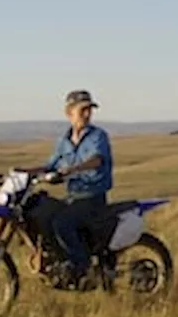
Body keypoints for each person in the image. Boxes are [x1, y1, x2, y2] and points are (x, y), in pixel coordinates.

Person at [17, 90, 115, 286]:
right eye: (83, 110)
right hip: (73, 196)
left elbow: (96, 160)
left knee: (63, 223)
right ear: (69, 113)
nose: (87, 114)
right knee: (45, 216)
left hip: (92, 197)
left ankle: (81, 266)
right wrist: (24, 171)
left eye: (89, 110)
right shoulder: (64, 141)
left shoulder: (98, 136)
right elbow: (51, 165)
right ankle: (58, 261)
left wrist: (72, 169)